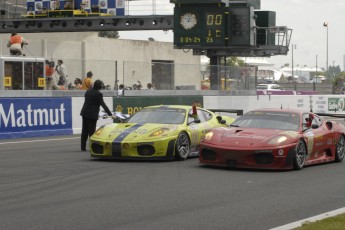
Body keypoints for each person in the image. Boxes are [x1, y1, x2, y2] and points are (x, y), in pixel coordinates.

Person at [80, 79, 116, 151]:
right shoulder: (98, 94)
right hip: (92, 114)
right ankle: (92, 147)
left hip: (84, 112)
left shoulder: (88, 91)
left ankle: (83, 147)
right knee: (91, 132)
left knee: (84, 130)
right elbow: (103, 105)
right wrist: (110, 114)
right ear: (100, 86)